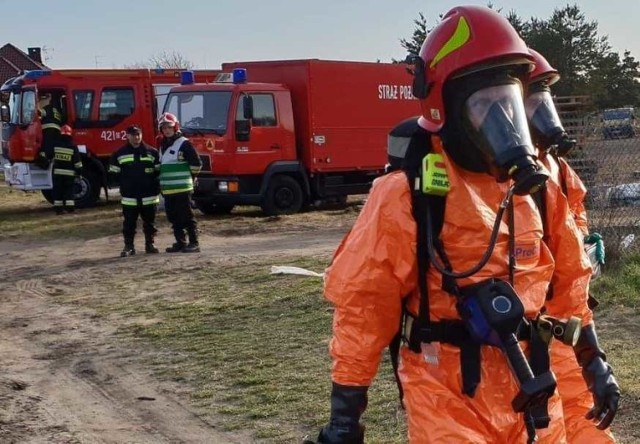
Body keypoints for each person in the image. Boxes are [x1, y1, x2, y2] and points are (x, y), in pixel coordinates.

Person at [310, 6, 619, 443]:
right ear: (446, 107)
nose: (503, 119)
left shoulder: (540, 189)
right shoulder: (406, 195)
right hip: (446, 395)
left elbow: (569, 283)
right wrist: (345, 417)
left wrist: (593, 361)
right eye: (483, 104)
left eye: (507, 100)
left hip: (535, 385)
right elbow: (364, 309)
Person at [525, 48, 616, 443]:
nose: (539, 110)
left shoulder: (557, 168)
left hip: (561, 321)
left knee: (582, 415)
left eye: (543, 98)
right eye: (530, 99)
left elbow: (574, 222)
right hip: (514, 334)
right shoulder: (480, 180)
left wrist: (582, 245)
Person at [109, 125, 161, 257]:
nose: (136, 137)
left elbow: (158, 172)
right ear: (127, 136)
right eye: (133, 135)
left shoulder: (152, 152)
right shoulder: (119, 153)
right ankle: (129, 246)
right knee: (129, 224)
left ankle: (150, 245)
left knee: (150, 223)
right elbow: (113, 174)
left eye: (138, 134)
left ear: (141, 135)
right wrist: (126, 183)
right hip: (130, 197)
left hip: (149, 196)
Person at [157, 112, 203, 253]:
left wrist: (191, 177)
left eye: (169, 127)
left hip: (183, 189)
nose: (166, 130)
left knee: (187, 216)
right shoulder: (163, 144)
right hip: (169, 189)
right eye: (163, 127)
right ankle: (180, 242)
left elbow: (197, 164)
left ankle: (194, 243)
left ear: (175, 126)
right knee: (173, 218)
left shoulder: (184, 143)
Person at [38, 124, 82, 214]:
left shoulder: (56, 145)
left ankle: (58, 209)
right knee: (68, 191)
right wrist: (79, 173)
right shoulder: (73, 146)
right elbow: (77, 162)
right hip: (69, 174)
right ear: (70, 134)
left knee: (57, 191)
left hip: (57, 173)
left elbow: (48, 156)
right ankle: (70, 209)